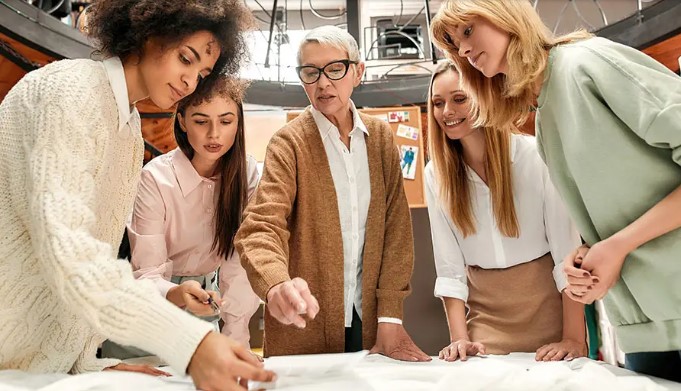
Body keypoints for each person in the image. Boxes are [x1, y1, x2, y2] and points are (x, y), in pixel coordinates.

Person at [0, 1, 275, 389]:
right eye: (185, 58)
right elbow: (67, 249)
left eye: (203, 73)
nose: (190, 81)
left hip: (46, 365)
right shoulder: (72, 89)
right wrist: (188, 342)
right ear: (149, 33)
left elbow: (92, 253)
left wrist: (84, 363)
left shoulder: (129, 128)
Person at [431, 0, 681, 382]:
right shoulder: (545, 118)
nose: (463, 49)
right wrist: (584, 254)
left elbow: (623, 237)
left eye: (468, 30)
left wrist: (617, 246)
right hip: (644, 329)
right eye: (453, 43)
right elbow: (615, 217)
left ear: (505, 14)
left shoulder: (587, 64)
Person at [234, 26, 430, 362]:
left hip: (369, 320)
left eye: (335, 69)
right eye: (311, 73)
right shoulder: (289, 142)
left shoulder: (380, 137)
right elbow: (260, 227)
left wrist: (390, 314)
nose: (323, 83)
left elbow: (396, 232)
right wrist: (277, 283)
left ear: (358, 71)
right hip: (303, 322)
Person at [426, 61, 585, 362]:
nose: (446, 112)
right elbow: (450, 268)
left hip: (552, 315)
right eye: (437, 103)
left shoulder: (536, 154)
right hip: (486, 325)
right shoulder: (436, 174)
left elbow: (567, 251)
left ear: (484, 97)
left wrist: (574, 338)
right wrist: (460, 340)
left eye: (459, 99)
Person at [101, 76, 261, 359]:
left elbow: (239, 265)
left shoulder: (247, 174)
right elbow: (147, 274)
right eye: (201, 121)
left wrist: (237, 340)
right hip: (146, 309)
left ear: (238, 123)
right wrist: (176, 293)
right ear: (183, 121)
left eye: (226, 121)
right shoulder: (155, 178)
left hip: (206, 306)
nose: (214, 134)